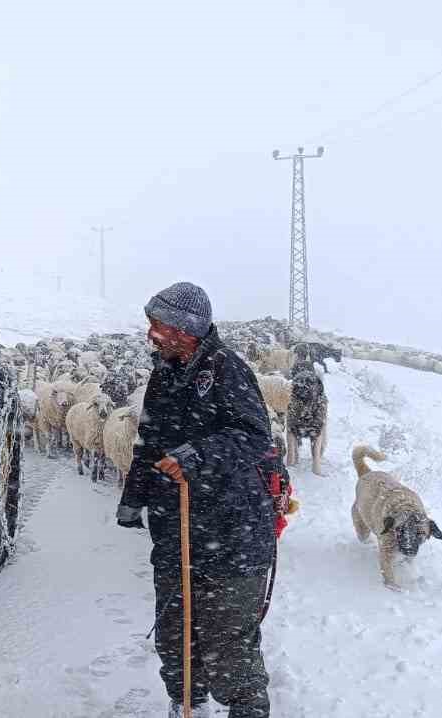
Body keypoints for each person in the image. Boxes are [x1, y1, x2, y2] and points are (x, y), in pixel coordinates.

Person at [116, 282, 275, 718]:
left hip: (231, 530)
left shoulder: (227, 370)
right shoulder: (165, 372)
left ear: (186, 329)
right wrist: (134, 497)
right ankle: (188, 703)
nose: (151, 333)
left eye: (158, 325)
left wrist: (197, 454)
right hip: (177, 527)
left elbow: (255, 437)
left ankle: (246, 709)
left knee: (226, 637)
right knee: (175, 628)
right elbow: (149, 438)